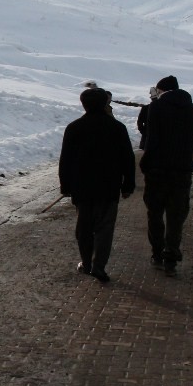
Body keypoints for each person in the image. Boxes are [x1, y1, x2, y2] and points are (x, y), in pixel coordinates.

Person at [58, 87, 136, 283]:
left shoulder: (74, 127)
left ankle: (86, 263)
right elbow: (128, 158)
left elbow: (65, 160)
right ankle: (98, 266)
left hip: (82, 188)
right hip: (108, 187)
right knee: (104, 228)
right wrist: (128, 184)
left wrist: (65, 185)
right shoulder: (117, 127)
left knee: (84, 228)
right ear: (105, 103)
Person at [140, 75, 193, 277]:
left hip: (158, 170)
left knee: (155, 213)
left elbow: (152, 139)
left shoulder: (156, 108)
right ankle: (171, 255)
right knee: (176, 215)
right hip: (182, 170)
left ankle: (157, 253)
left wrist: (146, 163)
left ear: (161, 90)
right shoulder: (192, 109)